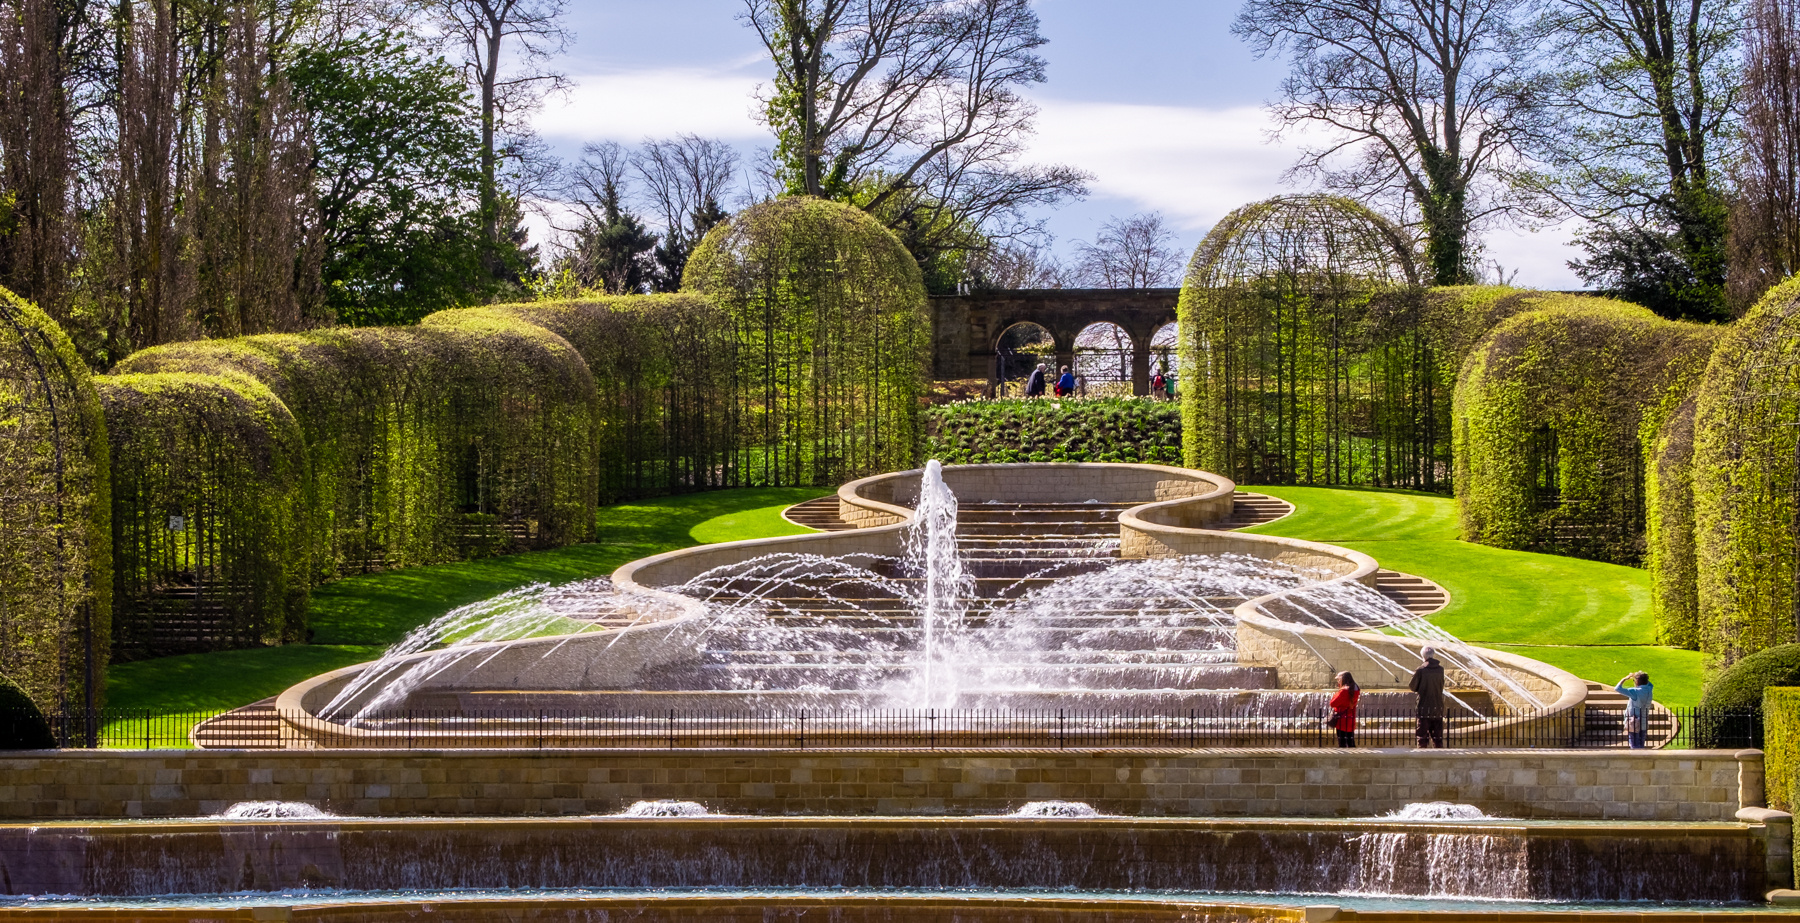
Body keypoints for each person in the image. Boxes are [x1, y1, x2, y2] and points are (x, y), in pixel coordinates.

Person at [1409, 646, 1446, 748]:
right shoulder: (1440, 670)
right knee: (1438, 739)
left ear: (1423, 656)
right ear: (1433, 655)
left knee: (1422, 738)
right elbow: (1441, 685)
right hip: (1437, 707)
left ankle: (1422, 761)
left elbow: (1412, 686)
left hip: (1424, 707)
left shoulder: (1421, 670)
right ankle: (1439, 760)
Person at [1616, 671, 1653, 748]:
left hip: (1634, 721)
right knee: (1641, 743)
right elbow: (1649, 684)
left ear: (1637, 681)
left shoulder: (1635, 691)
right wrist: (1640, 677)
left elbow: (1617, 688)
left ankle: (1636, 759)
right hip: (1644, 721)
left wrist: (1625, 678)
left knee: (1634, 744)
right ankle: (1642, 759)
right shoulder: (1649, 689)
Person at [1329, 671, 1361, 748]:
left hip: (1341, 720)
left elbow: (1332, 703)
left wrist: (1338, 691)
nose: (1338, 681)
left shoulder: (1343, 691)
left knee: (1342, 743)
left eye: (1339, 679)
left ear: (1343, 679)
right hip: (1350, 718)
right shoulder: (1355, 689)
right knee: (1351, 742)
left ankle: (1343, 759)